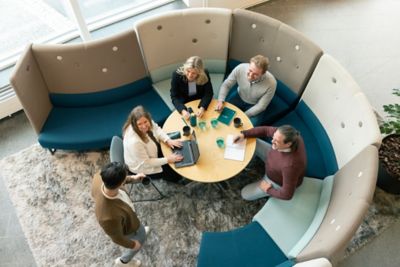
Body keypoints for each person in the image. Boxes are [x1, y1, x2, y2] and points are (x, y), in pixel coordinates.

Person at [91, 161, 148, 267]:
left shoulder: (100, 176)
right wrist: (133, 244)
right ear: (121, 183)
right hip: (130, 229)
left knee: (140, 229)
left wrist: (133, 178)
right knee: (141, 237)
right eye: (125, 178)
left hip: (128, 216)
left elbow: (119, 181)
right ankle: (124, 261)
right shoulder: (108, 217)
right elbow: (117, 238)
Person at [233, 125, 306, 200]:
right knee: (249, 140)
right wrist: (244, 134)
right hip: (272, 156)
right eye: (273, 137)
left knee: (245, 194)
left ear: (288, 144)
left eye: (276, 141)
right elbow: (266, 130)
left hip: (275, 179)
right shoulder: (288, 134)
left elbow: (287, 195)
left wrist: (268, 189)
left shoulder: (290, 166)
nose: (272, 141)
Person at [123, 105, 183, 183]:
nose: (144, 126)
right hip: (143, 166)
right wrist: (168, 159)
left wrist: (168, 140)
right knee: (170, 169)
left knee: (173, 150)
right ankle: (176, 179)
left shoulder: (145, 119)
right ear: (134, 124)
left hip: (151, 150)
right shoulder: (135, 142)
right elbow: (147, 163)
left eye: (145, 122)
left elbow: (156, 129)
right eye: (139, 124)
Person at [215, 55, 277, 126]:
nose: (250, 76)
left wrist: (244, 115)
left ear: (263, 73)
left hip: (255, 105)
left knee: (249, 128)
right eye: (250, 70)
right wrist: (220, 100)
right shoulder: (240, 68)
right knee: (221, 117)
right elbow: (226, 84)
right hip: (238, 97)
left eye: (255, 74)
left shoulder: (272, 83)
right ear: (249, 65)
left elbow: (261, 106)